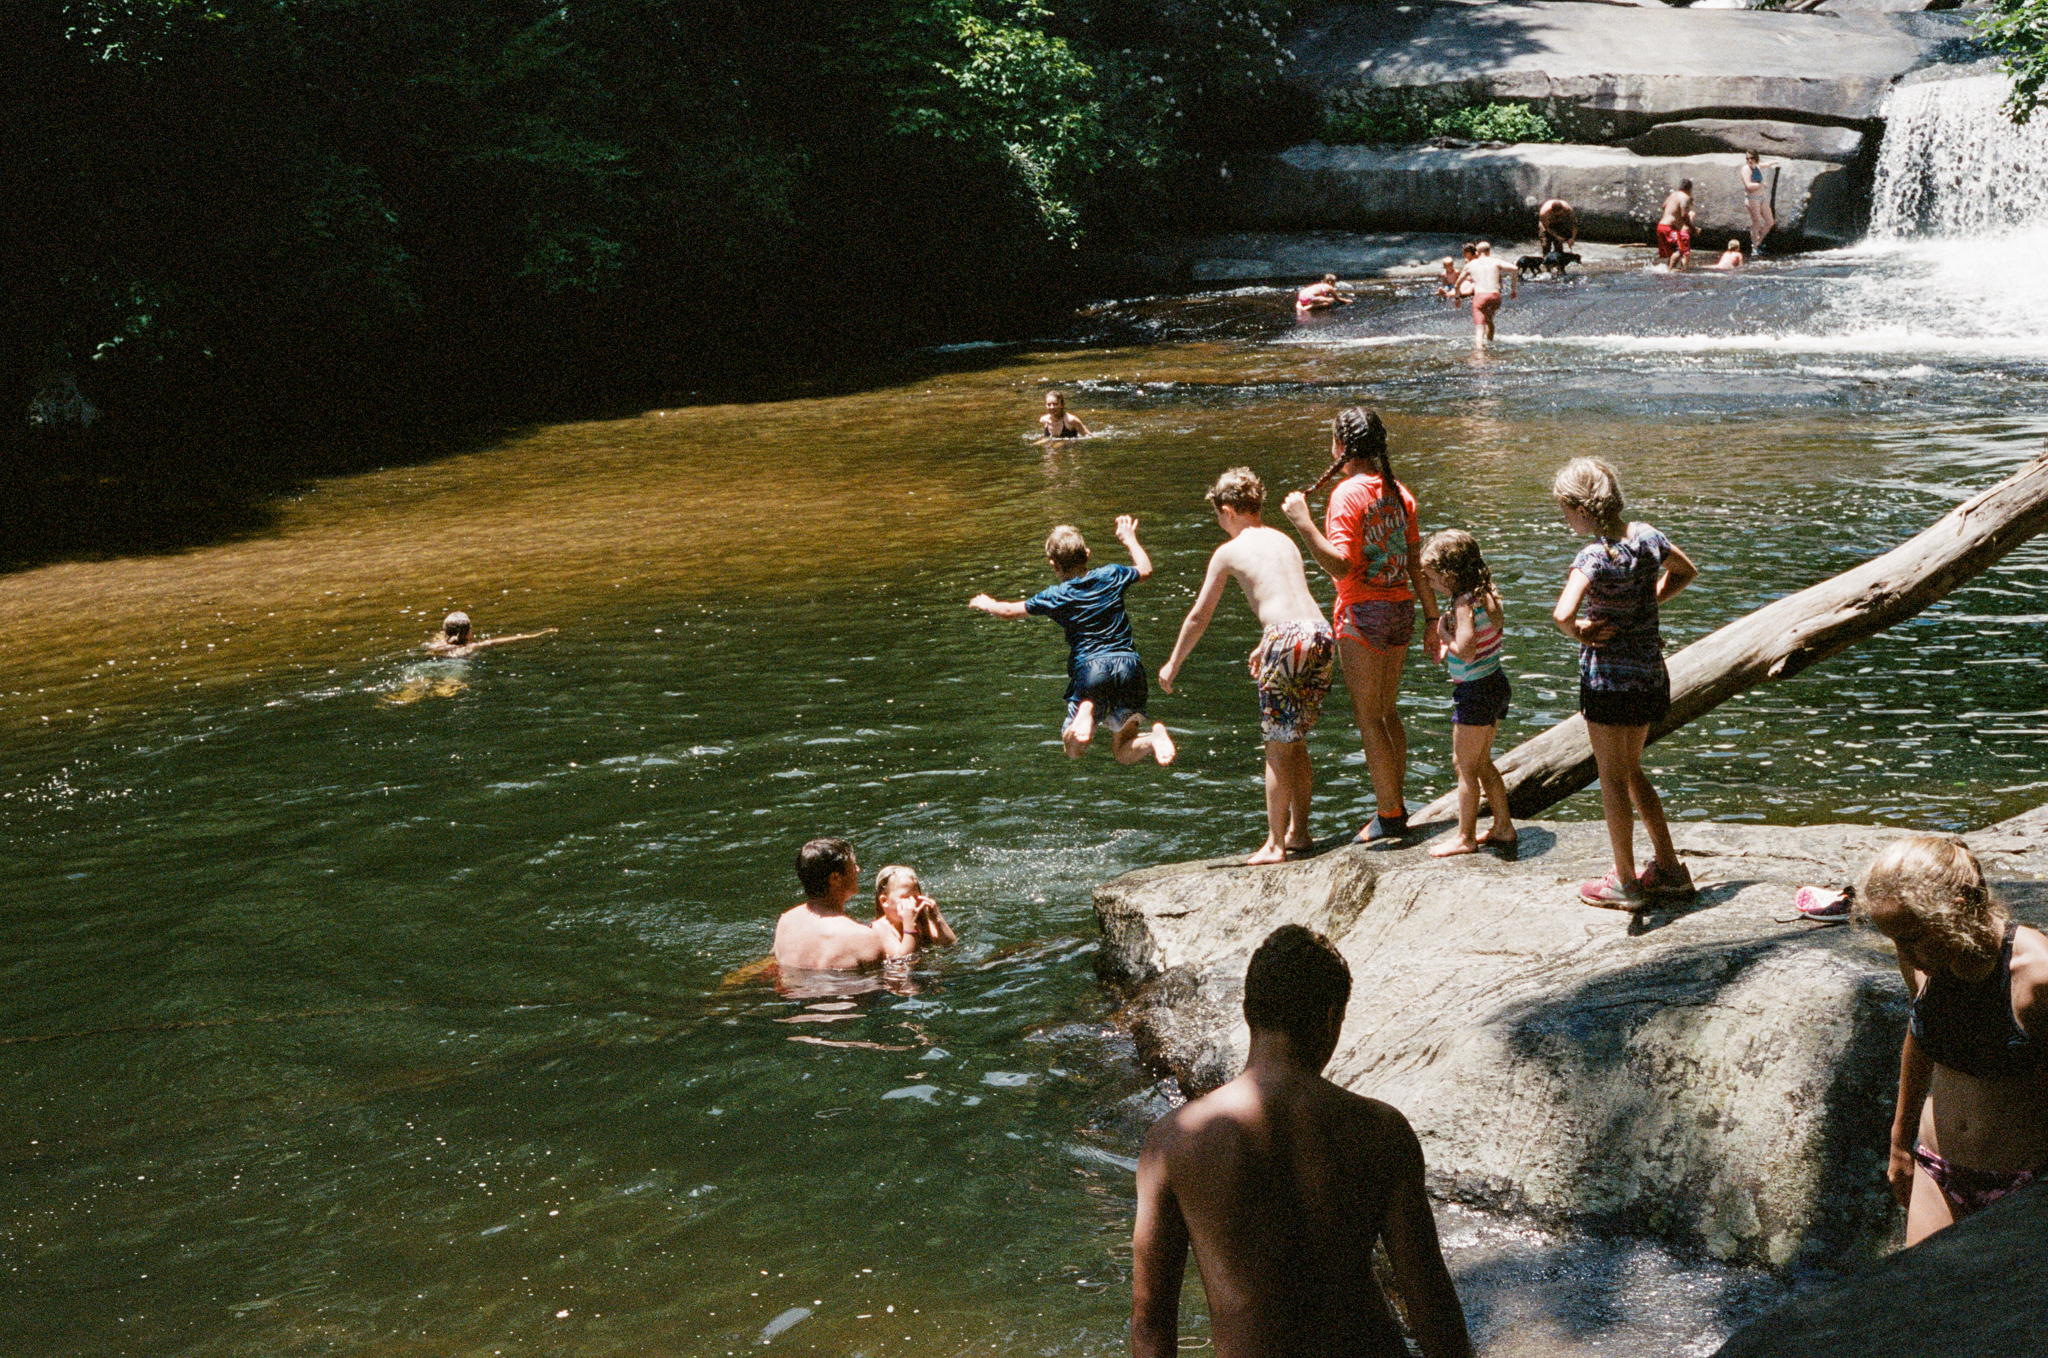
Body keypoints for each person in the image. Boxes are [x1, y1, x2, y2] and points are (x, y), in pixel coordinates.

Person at [1130, 924, 1474, 1358]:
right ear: (1331, 1017)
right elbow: (1433, 1310)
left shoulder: (1172, 1142)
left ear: (1247, 1011)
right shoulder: (1381, 1130)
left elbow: (1150, 1326)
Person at [1857, 834, 2048, 1245]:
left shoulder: (2037, 976)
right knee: (1921, 1301)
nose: (1902, 953)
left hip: (2026, 1182)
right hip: (1938, 1170)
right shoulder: (1922, 956)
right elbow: (1921, 1033)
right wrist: (1899, 1145)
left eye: (1908, 938)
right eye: (1891, 939)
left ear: (1955, 913)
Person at [1157, 467, 1337, 864]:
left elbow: (1198, 617)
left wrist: (1172, 663)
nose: (1221, 525)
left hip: (1286, 640)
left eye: (1219, 517)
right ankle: (1300, 832)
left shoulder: (1229, 550)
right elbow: (1287, 598)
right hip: (1320, 634)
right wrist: (1264, 643)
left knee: (1276, 743)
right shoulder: (1284, 539)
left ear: (1228, 510)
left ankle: (1275, 844)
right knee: (1296, 738)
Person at [1550, 458, 1699, 908]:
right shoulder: (1648, 538)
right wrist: (1646, 601)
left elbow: (1561, 613)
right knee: (1632, 772)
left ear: (1581, 508)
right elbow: (1687, 570)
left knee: (1612, 779)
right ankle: (1670, 869)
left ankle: (1625, 882)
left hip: (1608, 684)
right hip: (1650, 677)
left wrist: (1581, 632)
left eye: (1565, 511)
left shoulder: (1593, 556)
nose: (1564, 520)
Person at [1282, 409, 1434, 843]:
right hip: (1402, 608)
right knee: (1387, 713)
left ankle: (1389, 814)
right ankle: (1395, 802)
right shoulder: (1399, 492)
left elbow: (1341, 563)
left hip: (1363, 614)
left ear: (1340, 448)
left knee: (1369, 718)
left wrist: (1302, 522)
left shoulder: (1347, 495)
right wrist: (1431, 617)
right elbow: (1416, 563)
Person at [969, 518, 1176, 766]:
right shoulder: (1111, 574)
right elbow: (1145, 569)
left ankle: (1086, 710)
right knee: (1122, 753)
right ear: (1087, 554)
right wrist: (1129, 539)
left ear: (1053, 565)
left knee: (1074, 750)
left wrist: (988, 604)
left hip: (1091, 671)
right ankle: (1153, 738)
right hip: (1129, 667)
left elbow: (1009, 611)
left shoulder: (1056, 596)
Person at [1418, 530, 1515, 859]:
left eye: (1432, 578)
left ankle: (1465, 837)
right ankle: (1503, 826)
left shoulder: (1462, 603)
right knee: (1482, 762)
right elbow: (1491, 634)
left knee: (1464, 767)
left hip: (1474, 690)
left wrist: (1445, 635)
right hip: (1496, 682)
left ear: (1449, 575)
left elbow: (1468, 649)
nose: (1430, 585)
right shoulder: (1486, 592)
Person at [773, 838, 886, 972]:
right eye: (852, 865)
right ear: (835, 878)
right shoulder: (863, 939)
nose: (858, 869)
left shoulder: (786, 922)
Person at [870, 864, 958, 957]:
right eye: (906, 897)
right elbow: (902, 960)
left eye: (916, 897)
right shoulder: (880, 928)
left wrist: (937, 919)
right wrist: (909, 926)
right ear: (884, 901)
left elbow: (951, 945)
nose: (913, 902)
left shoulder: (921, 924)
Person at [1453, 241, 1517, 344]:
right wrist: (1513, 289)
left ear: (1477, 252)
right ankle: (1490, 343)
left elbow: (1457, 284)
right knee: (1489, 321)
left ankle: (1479, 354)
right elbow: (1515, 268)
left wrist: (1457, 298)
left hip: (1480, 297)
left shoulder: (1471, 264)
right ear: (1489, 252)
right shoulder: (1496, 261)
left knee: (1479, 329)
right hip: (1495, 296)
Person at [423, 611, 557, 657]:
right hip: (458, 664)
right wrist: (539, 634)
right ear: (469, 633)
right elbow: (509, 639)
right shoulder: (471, 647)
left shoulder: (437, 645)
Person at [1740, 151, 1776, 256]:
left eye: (1751, 158)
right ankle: (1755, 248)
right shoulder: (1746, 169)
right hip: (1752, 198)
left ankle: (1758, 243)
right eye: (1747, 159)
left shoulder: (1757, 166)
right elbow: (1748, 185)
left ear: (1756, 158)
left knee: (1770, 222)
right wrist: (1761, 184)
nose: (1749, 160)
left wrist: (1775, 162)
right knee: (1757, 223)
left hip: (1761, 198)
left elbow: (1765, 164)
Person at [1656, 180, 1695, 269]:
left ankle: (1668, 269)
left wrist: (1672, 213)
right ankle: (1669, 272)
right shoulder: (1685, 197)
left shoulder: (1674, 194)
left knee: (1674, 251)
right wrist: (1693, 228)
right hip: (1669, 227)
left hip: (1661, 225)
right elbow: (1684, 215)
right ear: (1690, 188)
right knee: (1680, 250)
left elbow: (1664, 206)